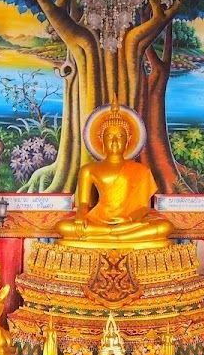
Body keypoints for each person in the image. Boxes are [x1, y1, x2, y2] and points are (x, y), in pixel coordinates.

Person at [55, 103, 173, 247]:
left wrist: (129, 219)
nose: (115, 141)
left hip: (129, 222)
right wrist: (80, 216)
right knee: (63, 226)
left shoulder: (141, 170)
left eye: (120, 136)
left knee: (165, 227)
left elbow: (144, 207)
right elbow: (84, 203)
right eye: (109, 136)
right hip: (99, 220)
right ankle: (114, 234)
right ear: (101, 139)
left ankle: (110, 235)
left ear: (128, 140)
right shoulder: (89, 170)